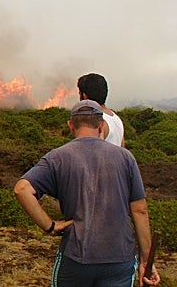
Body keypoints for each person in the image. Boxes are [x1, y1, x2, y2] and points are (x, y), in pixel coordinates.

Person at [14, 100, 160, 287]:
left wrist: (49, 226)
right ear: (101, 125)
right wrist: (146, 261)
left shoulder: (57, 157)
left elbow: (21, 189)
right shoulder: (126, 157)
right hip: (119, 258)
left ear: (71, 125)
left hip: (76, 256)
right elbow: (140, 211)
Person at [77, 73, 126, 147]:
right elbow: (122, 149)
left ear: (84, 96)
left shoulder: (96, 120)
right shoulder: (116, 119)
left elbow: (95, 151)